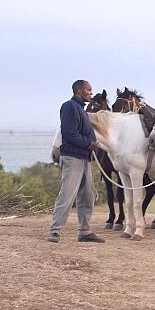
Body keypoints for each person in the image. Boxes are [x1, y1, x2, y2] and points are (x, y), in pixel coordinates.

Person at [48, 80, 105, 243]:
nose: (91, 93)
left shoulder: (81, 109)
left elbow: (82, 132)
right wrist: (89, 144)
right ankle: (55, 230)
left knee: (87, 195)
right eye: (89, 90)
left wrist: (92, 144)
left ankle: (85, 231)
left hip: (84, 157)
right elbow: (69, 133)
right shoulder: (69, 107)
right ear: (79, 91)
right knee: (67, 194)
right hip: (73, 158)